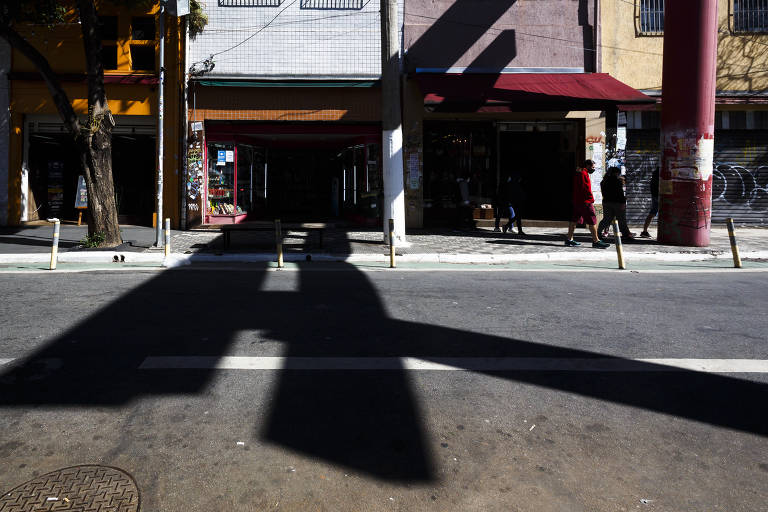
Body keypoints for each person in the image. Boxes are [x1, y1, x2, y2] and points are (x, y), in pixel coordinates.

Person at [565, 160, 610, 248]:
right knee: (592, 220)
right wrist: (590, 199)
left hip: (577, 201)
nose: (593, 169)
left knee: (574, 220)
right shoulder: (583, 173)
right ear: (587, 166)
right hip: (585, 201)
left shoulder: (579, 172)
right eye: (592, 167)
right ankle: (596, 241)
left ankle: (569, 239)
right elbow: (585, 188)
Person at [597, 167, 636, 239]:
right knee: (621, 220)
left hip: (606, 202)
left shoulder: (604, 181)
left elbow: (604, 193)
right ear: (616, 173)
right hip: (617, 203)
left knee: (606, 219)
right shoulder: (617, 181)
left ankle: (598, 233)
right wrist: (623, 202)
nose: (619, 174)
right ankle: (626, 234)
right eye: (618, 173)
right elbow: (619, 194)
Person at [640, 166, 660, 238]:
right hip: (658, 196)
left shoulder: (655, 175)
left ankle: (644, 231)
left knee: (652, 213)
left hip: (656, 196)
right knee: (653, 213)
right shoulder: (659, 175)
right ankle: (644, 231)